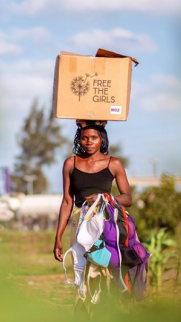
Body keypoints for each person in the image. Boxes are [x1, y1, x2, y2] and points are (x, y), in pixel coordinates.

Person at [53, 120, 132, 310]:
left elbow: (128, 198)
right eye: (85, 138)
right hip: (80, 225)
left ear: (101, 139)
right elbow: (67, 202)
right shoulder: (70, 164)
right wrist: (58, 237)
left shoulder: (114, 164)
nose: (89, 142)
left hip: (107, 223)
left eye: (94, 138)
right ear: (79, 140)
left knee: (108, 272)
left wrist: (104, 197)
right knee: (82, 274)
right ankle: (85, 312)